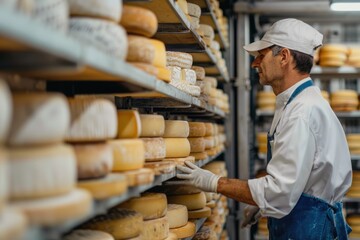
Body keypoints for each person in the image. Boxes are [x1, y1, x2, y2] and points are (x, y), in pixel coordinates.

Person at [177, 18, 353, 239]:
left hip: (309, 228)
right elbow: (300, 178)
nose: (254, 63)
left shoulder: (301, 112)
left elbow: (279, 191)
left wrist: (215, 182)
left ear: (284, 57)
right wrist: (264, 205)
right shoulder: (296, 103)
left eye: (262, 55)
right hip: (304, 218)